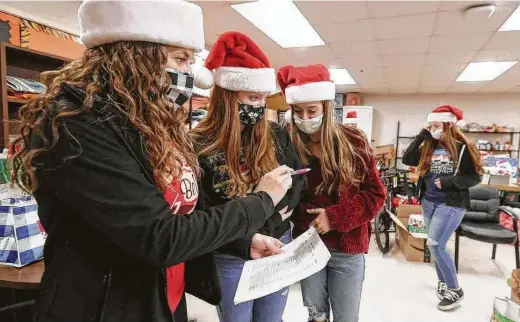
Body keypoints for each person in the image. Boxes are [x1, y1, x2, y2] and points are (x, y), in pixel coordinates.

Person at [9, 2, 293, 322]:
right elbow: (160, 237)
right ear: (134, 56)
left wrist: (243, 239)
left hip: (159, 298)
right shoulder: (76, 124)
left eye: (192, 61)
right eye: (180, 60)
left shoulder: (147, 121)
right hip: (105, 309)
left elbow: (181, 206)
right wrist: (261, 201)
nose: (192, 76)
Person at [190, 31, 304, 322]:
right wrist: (248, 233)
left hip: (276, 242)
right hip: (231, 251)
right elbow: (203, 209)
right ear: (228, 96)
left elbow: (296, 181)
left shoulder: (276, 134)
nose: (260, 107)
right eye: (253, 97)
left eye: (264, 99)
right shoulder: (198, 144)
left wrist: (272, 222)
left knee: (271, 318)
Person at [277, 64, 386, 322]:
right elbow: (289, 199)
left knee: (346, 317)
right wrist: (307, 218)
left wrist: (334, 218)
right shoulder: (288, 145)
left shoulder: (353, 141)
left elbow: (375, 195)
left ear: (326, 107)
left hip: (347, 248)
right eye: (298, 111)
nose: (305, 117)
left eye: (312, 110)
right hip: (308, 245)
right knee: (316, 314)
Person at [402, 105, 482, 311]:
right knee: (434, 245)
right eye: (430, 126)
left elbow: (475, 176)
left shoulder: (463, 147)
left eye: (437, 126)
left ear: (449, 125)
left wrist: (448, 182)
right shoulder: (429, 144)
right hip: (429, 201)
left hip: (451, 202)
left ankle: (455, 290)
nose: (433, 129)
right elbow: (407, 159)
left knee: (436, 244)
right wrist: (422, 135)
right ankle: (444, 283)